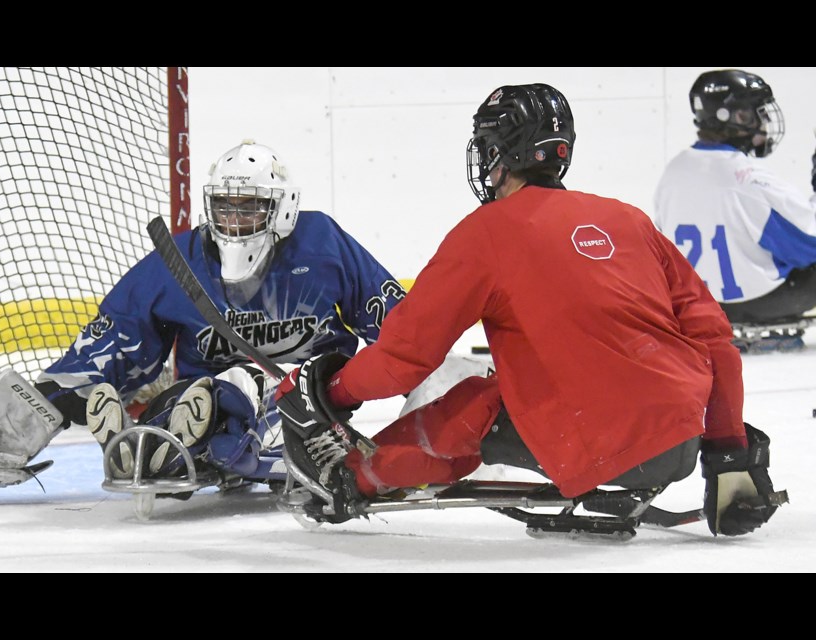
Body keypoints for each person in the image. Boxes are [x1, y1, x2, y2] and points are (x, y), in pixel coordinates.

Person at [275, 83, 786, 537]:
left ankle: (353, 479)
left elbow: (405, 358)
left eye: (485, 149)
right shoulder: (628, 220)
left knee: (470, 400)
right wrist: (727, 449)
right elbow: (715, 341)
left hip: (597, 443)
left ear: (500, 153)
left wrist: (333, 391)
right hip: (681, 442)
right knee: (516, 384)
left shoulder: (486, 234)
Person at [0, 140, 405, 495]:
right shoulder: (180, 262)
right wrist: (36, 411)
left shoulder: (321, 245)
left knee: (236, 393)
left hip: (314, 399)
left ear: (283, 210)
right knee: (198, 406)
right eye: (224, 208)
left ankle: (176, 442)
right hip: (204, 400)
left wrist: (430, 389)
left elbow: (395, 321)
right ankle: (167, 441)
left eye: (249, 208)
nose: (234, 222)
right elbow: (117, 338)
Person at [654, 69, 816, 352]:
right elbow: (808, 246)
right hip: (761, 302)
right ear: (731, 117)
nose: (763, 124)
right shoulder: (750, 179)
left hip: (702, 306)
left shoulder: (673, 172)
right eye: (755, 114)